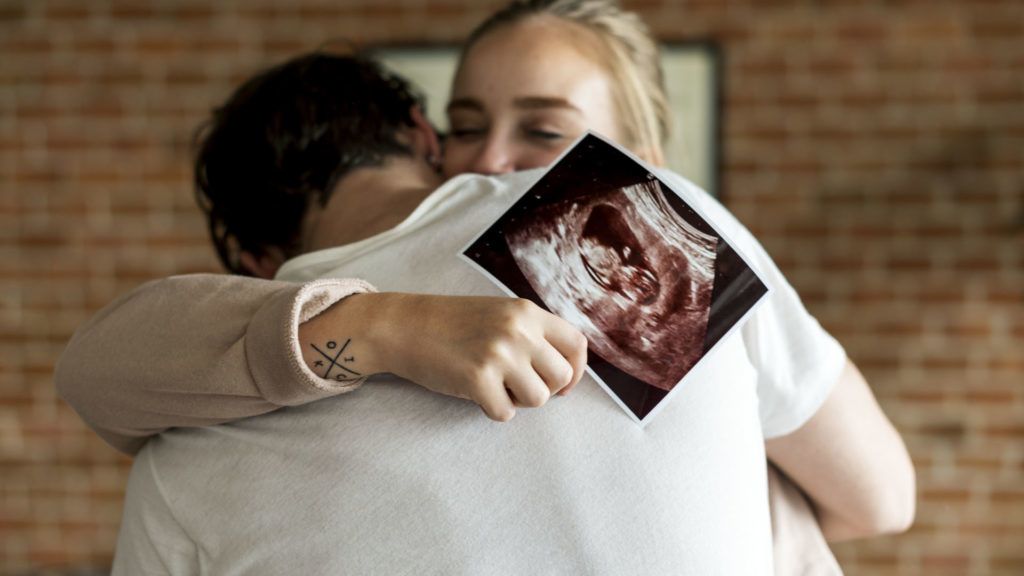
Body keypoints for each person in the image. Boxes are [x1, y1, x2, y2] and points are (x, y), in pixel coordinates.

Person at [55, 0, 913, 571]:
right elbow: (879, 496)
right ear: (425, 136)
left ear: (247, 256)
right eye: (471, 127)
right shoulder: (619, 224)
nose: (496, 164)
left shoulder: (185, 447)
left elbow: (93, 373)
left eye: (544, 131)